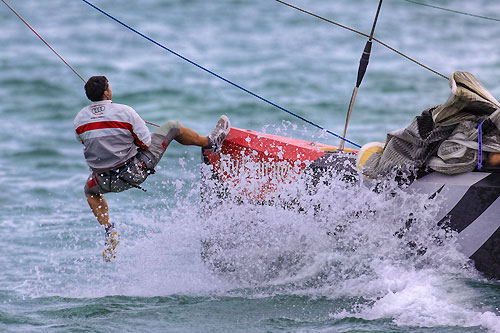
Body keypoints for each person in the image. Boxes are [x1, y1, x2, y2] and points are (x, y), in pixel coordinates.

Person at [74, 76, 230, 261]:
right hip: (133, 172)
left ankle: (110, 230)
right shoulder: (125, 112)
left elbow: (87, 143)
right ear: (107, 92)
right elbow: (146, 142)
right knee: (172, 127)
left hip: (103, 182)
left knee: (89, 191)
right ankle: (212, 142)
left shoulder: (79, 119)